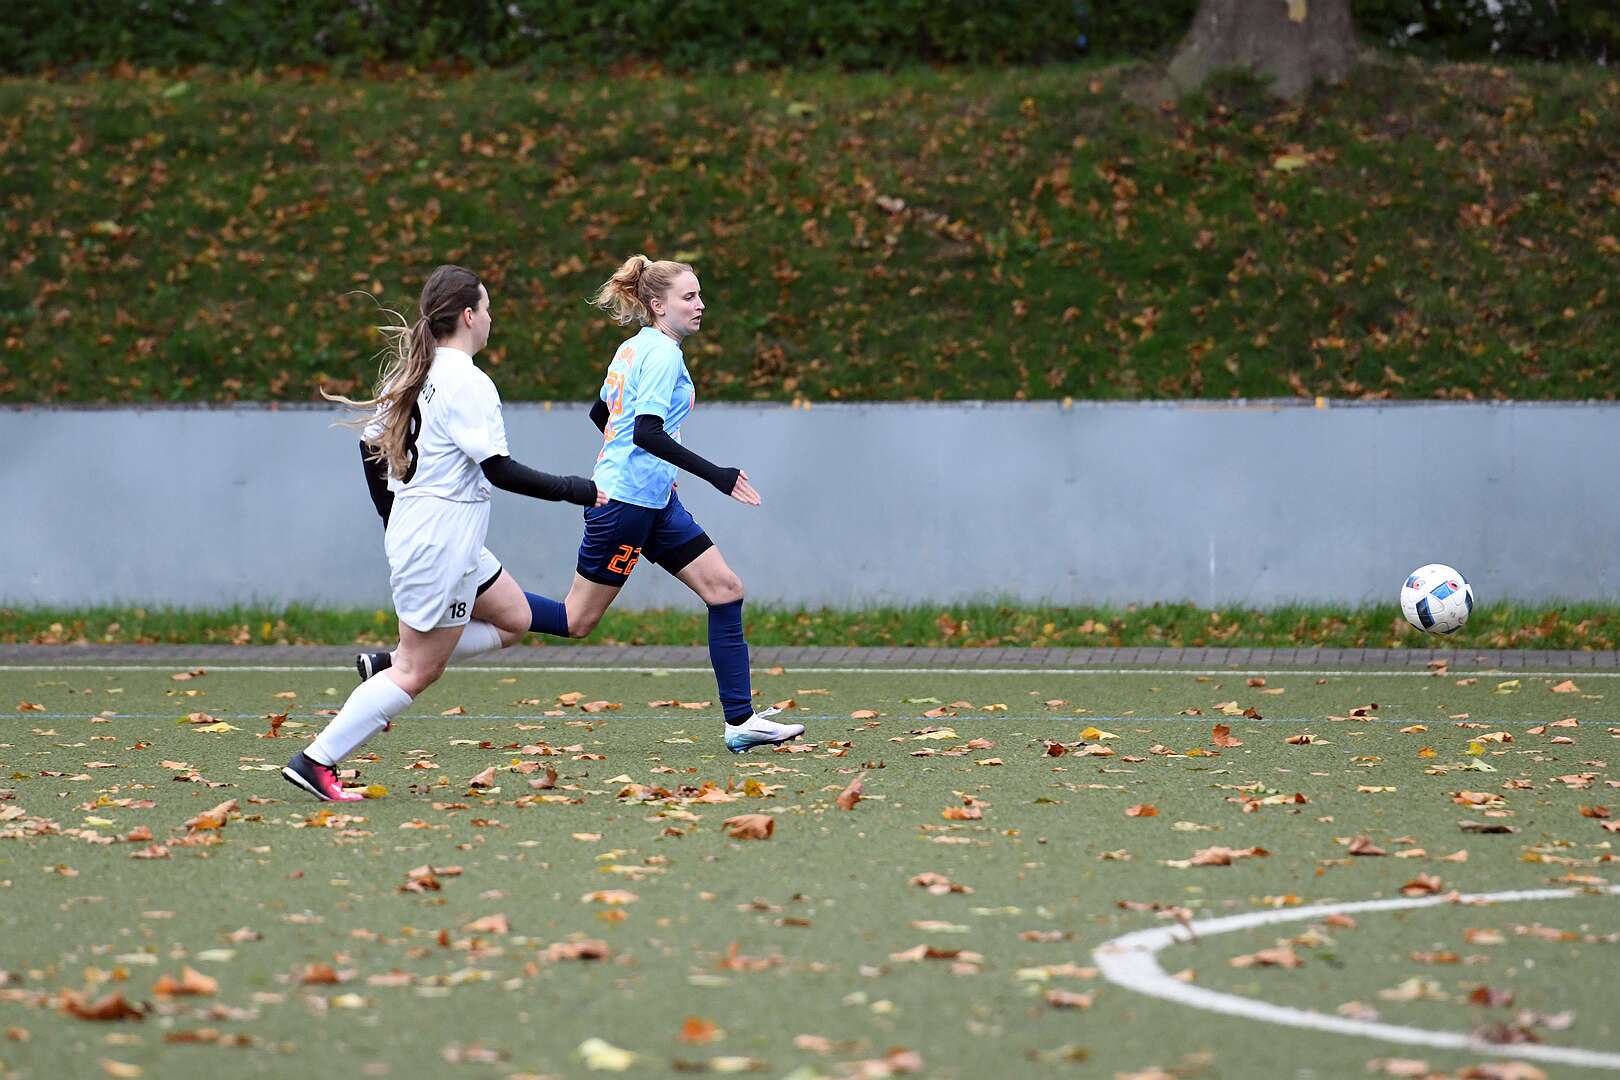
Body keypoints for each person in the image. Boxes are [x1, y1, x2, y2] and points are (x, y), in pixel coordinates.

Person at [283, 265, 603, 802]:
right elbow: (500, 470)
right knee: (419, 671)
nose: (492, 318)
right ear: (469, 316)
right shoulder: (467, 382)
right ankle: (315, 760)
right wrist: (581, 490)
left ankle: (387, 664)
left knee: (515, 619)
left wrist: (394, 517)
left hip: (442, 538)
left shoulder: (415, 371)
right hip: (442, 543)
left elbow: (369, 447)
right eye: (488, 307)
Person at [561, 255, 803, 753]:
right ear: (658, 305)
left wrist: (649, 472)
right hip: (625, 505)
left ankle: (741, 721)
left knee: (725, 589)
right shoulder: (662, 354)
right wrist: (717, 475)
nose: (700, 304)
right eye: (689, 297)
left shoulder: (633, 347)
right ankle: (468, 614)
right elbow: (646, 432)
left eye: (699, 295)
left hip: (653, 502)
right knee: (576, 620)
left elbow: (602, 414)